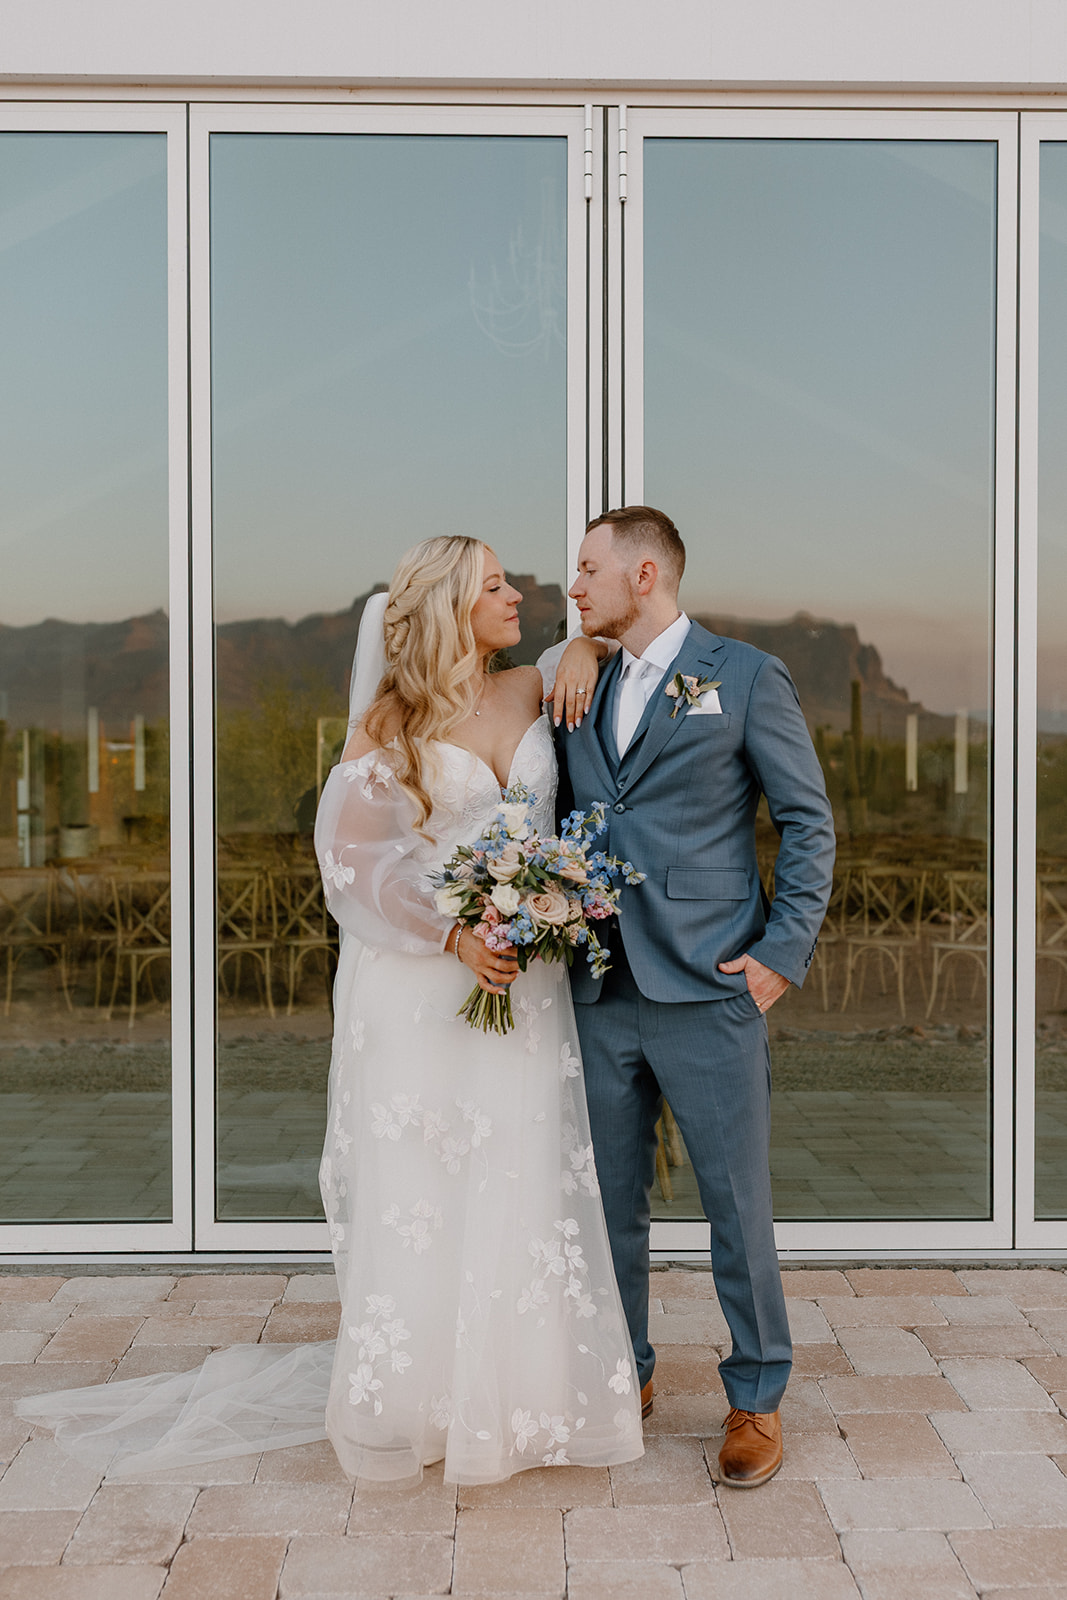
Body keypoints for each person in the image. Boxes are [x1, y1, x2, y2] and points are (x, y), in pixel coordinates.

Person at [17, 536, 643, 1489]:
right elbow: (354, 866)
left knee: (520, 1172)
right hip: (431, 984)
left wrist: (589, 649)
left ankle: (521, 1400)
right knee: (427, 1184)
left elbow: (586, 654)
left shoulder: (536, 683)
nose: (520, 594)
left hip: (527, 985)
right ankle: (420, 1405)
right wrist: (454, 934)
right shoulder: (387, 722)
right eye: (494, 586)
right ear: (446, 607)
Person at [541, 506, 835, 1489]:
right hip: (598, 983)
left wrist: (778, 954)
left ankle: (755, 1397)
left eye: (586, 570)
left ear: (645, 572)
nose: (571, 585)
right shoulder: (579, 677)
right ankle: (622, 1373)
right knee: (605, 1205)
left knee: (733, 1205)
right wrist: (576, 643)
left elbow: (807, 824)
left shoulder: (746, 676)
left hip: (711, 987)